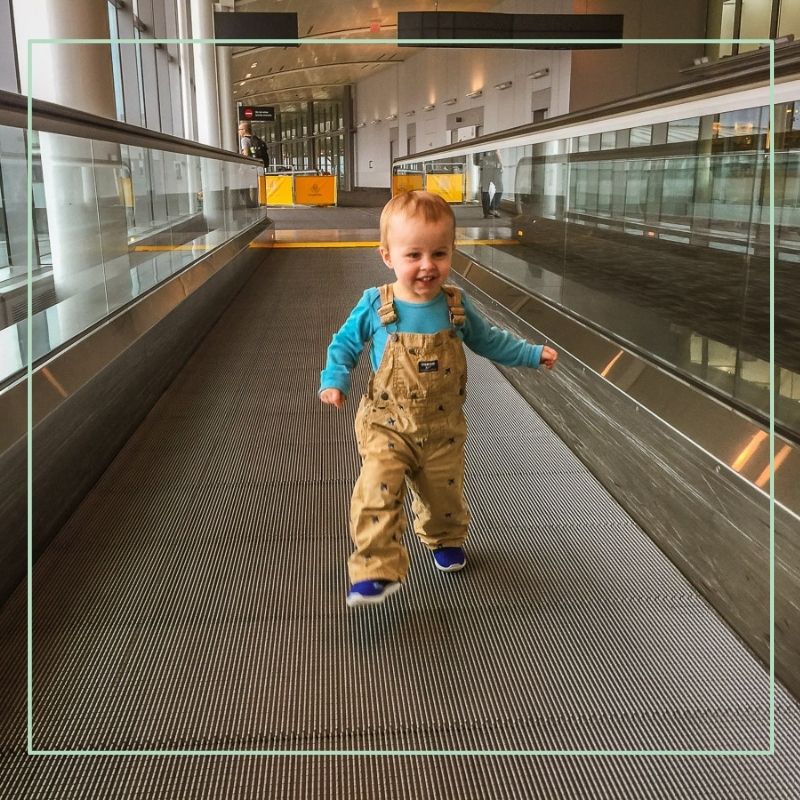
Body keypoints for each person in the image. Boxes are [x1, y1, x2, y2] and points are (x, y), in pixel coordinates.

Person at [319, 190, 558, 608]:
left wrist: (531, 354)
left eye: (439, 253)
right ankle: (375, 568)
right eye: (414, 255)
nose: (428, 266)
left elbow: (490, 341)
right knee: (377, 489)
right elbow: (344, 345)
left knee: (443, 495)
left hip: (442, 427)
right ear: (388, 256)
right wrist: (334, 379)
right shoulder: (377, 304)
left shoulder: (456, 306)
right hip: (387, 424)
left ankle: (444, 538)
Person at [479, 150, 503, 218]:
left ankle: (487, 213)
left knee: (485, 189)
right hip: (494, 167)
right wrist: (501, 165)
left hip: (484, 167)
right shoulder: (493, 142)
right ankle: (493, 208)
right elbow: (497, 151)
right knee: (500, 188)